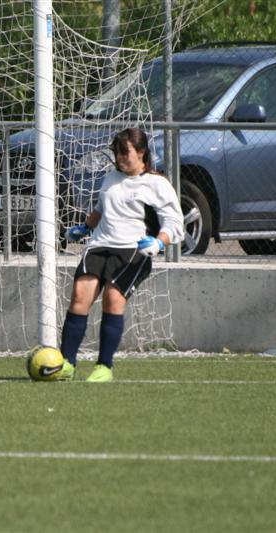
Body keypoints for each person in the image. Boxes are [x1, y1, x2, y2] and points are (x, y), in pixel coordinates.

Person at [58, 127, 184, 382]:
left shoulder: (157, 184)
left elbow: (174, 223)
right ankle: (66, 363)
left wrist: (159, 243)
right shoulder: (111, 178)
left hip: (132, 251)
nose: (119, 158)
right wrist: (85, 227)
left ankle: (104, 366)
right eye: (116, 152)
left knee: (113, 298)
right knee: (79, 297)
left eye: (125, 152)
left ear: (141, 152)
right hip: (99, 245)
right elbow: (100, 208)